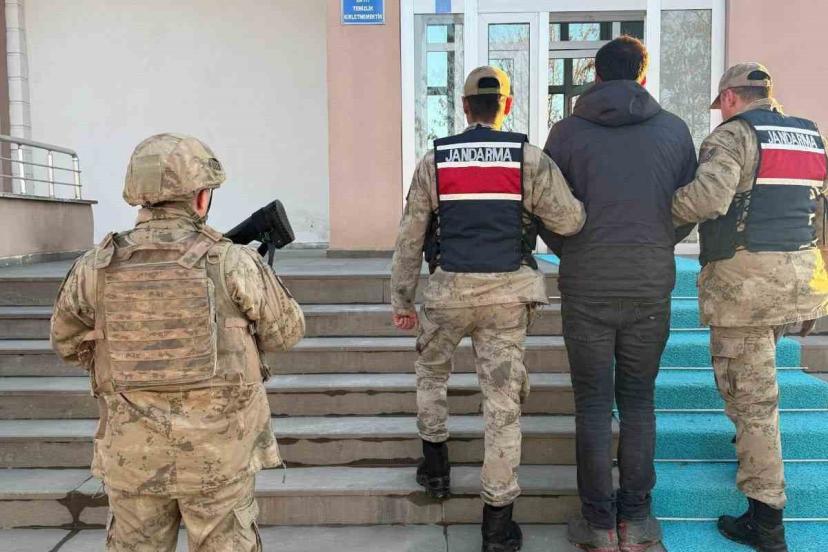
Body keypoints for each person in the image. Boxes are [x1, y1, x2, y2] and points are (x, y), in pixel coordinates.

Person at [50, 134, 306, 551]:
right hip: (218, 458)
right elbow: (286, 333)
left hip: (133, 458)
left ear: (138, 194)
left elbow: (66, 342)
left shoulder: (94, 268)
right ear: (201, 197)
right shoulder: (234, 262)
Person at [390, 66, 586, 552]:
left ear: (464, 107)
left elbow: (411, 236)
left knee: (431, 374)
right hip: (507, 296)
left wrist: (402, 298)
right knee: (502, 405)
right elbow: (570, 219)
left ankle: (436, 469)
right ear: (507, 105)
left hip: (447, 293)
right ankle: (497, 524)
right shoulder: (528, 158)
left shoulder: (435, 161)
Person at [542, 36, 697, 552]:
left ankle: (598, 524)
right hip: (649, 284)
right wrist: (657, 243)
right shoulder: (674, 130)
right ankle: (637, 521)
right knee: (638, 402)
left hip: (586, 283)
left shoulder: (566, 133)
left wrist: (571, 250)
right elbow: (686, 207)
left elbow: (546, 208)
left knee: (591, 404)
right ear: (643, 76)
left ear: (597, 75)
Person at [672, 62, 828, 552]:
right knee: (752, 388)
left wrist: (654, 211)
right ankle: (750, 448)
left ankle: (766, 520)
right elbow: (820, 213)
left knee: (753, 402)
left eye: (721, 104)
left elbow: (707, 199)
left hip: (746, 291)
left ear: (730, 98)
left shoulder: (732, 136)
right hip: (799, 281)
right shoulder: (809, 136)